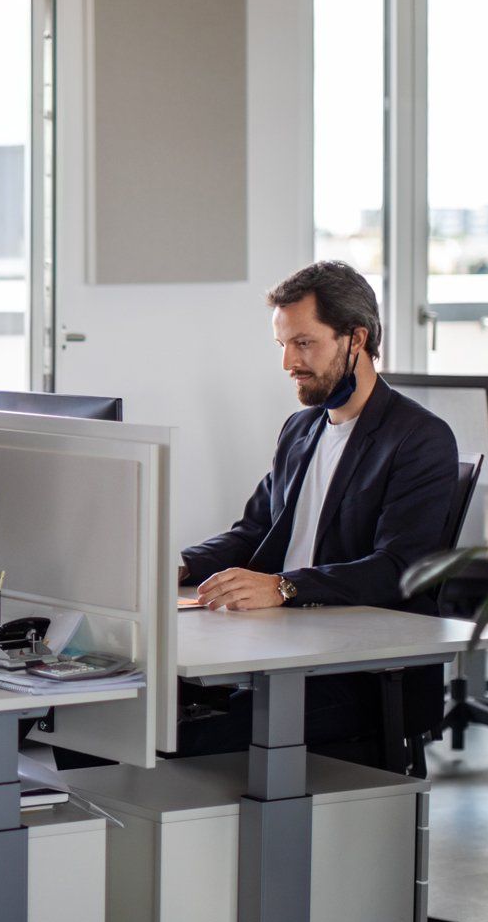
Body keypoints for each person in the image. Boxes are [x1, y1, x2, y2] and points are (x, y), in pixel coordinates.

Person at [176, 260, 459, 760]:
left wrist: (286, 587)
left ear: (356, 339)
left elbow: (400, 569)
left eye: (304, 343)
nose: (288, 363)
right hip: (284, 647)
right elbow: (256, 531)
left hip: (357, 672)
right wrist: (180, 565)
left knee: (177, 735)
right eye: (282, 345)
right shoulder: (301, 429)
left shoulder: (418, 438)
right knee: (128, 709)